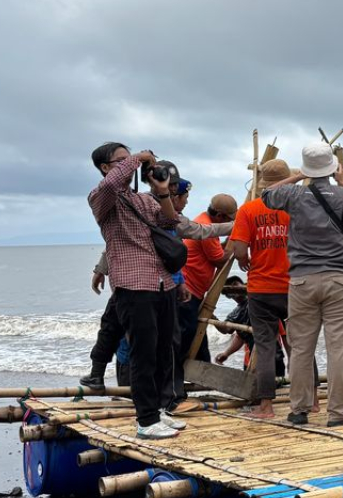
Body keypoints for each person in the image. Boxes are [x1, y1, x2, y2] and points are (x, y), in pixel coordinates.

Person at [83, 167, 229, 397]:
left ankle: (145, 396)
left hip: (156, 283)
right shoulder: (149, 207)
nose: (185, 201)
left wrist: (179, 282)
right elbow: (120, 239)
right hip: (145, 285)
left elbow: (176, 244)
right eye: (180, 193)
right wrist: (102, 268)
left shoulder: (159, 210)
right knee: (142, 340)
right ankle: (147, 396)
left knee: (139, 338)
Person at [264, 144, 343, 427]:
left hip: (301, 280)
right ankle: (339, 412)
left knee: (300, 347)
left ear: (307, 168)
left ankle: (298, 410)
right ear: (332, 166)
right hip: (340, 279)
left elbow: (266, 195)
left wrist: (297, 176)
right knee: (338, 348)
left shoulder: (294, 194)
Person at [87, 143, 183, 438]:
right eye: (121, 160)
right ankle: (145, 421)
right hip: (132, 284)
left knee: (163, 351)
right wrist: (139, 158)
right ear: (105, 167)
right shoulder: (101, 198)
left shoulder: (142, 200)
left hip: (161, 282)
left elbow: (169, 221)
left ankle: (159, 412)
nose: (129, 164)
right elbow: (112, 184)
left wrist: (162, 190)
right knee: (143, 354)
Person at [229, 159, 293, 419]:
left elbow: (239, 250)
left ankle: (266, 406)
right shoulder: (297, 207)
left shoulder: (249, 210)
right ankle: (311, 401)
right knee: (298, 345)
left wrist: (244, 260)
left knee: (265, 347)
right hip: (294, 285)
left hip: (261, 288)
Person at [178, 190, 239, 364]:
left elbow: (217, 251)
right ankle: (174, 379)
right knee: (186, 335)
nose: (229, 224)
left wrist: (229, 244)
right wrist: (238, 243)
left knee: (197, 339)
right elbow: (220, 260)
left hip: (193, 291)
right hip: (188, 291)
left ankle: (199, 378)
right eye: (229, 220)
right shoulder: (207, 230)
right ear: (219, 216)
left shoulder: (204, 221)